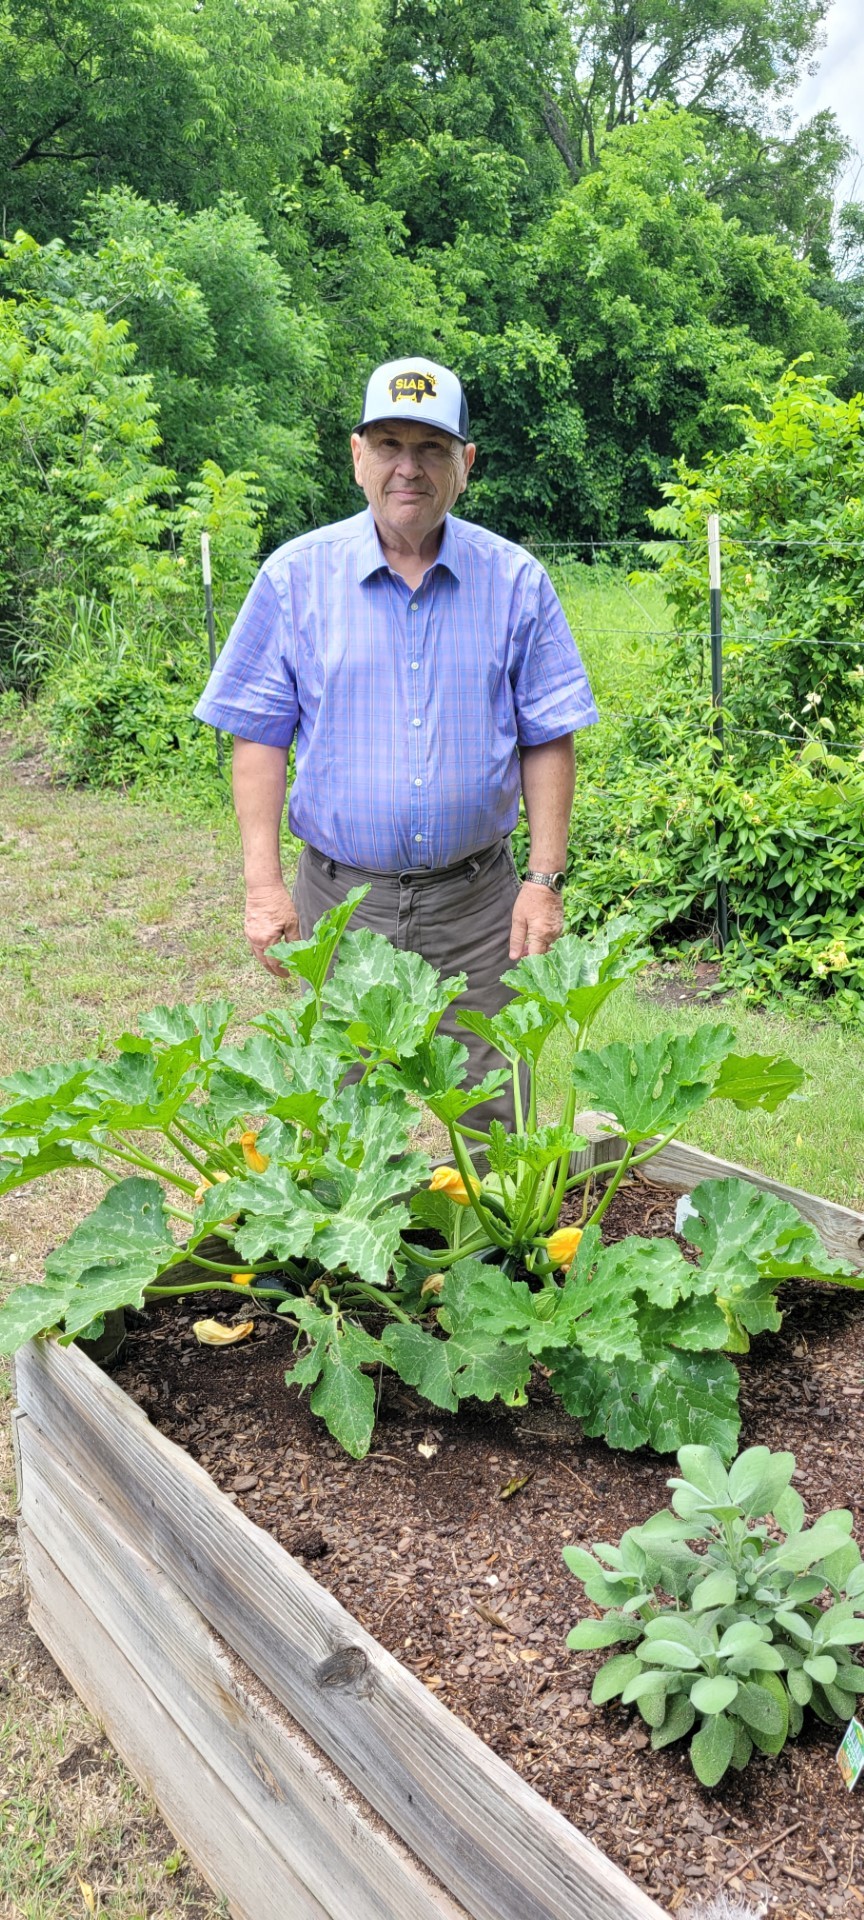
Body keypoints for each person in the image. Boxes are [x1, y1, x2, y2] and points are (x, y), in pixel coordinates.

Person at [194, 356, 598, 1126]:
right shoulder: (294, 579)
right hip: (341, 906)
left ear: (465, 464)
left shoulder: (515, 581)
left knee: (493, 1113)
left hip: (480, 907)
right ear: (356, 457)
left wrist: (543, 882)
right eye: (388, 445)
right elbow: (259, 737)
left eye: (432, 449)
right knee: (342, 1118)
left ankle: (486, 1247)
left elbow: (548, 738)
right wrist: (261, 884)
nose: (408, 469)